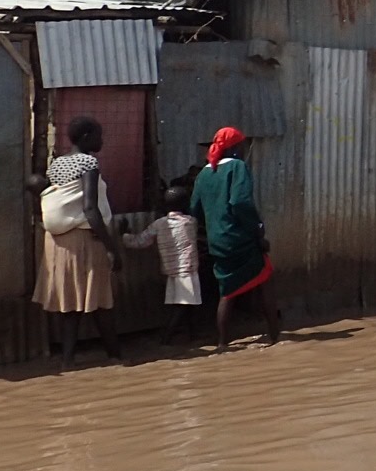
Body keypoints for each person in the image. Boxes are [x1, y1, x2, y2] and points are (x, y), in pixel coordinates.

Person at [33, 115, 122, 366]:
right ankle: (116, 357)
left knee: (70, 305)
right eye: (98, 135)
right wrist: (111, 247)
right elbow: (90, 208)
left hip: (58, 243)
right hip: (84, 239)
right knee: (101, 300)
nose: (101, 140)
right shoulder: (88, 163)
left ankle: (67, 362)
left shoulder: (57, 164)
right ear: (86, 138)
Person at [190, 126, 282, 352]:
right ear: (235, 147)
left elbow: (195, 209)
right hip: (240, 238)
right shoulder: (238, 167)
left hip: (217, 241)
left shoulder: (204, 174)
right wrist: (258, 230)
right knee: (264, 279)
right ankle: (275, 337)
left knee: (227, 291)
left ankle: (222, 343)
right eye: (241, 144)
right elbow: (240, 203)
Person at [121, 179, 206, 342]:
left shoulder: (158, 224)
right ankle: (166, 337)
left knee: (188, 304)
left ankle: (193, 335)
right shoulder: (190, 222)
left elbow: (140, 241)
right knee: (183, 305)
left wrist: (125, 234)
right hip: (187, 270)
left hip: (170, 270)